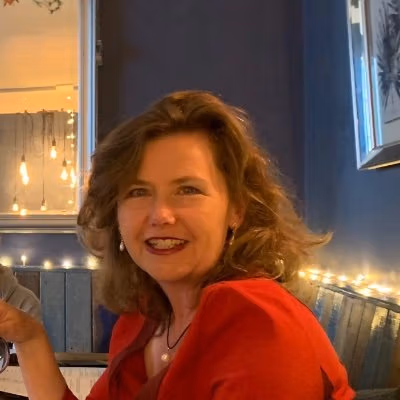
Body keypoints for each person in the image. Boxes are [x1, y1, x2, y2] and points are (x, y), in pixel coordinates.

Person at [0, 91, 355, 399]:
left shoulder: (258, 323)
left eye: (188, 190)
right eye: (138, 191)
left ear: (236, 209)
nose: (161, 215)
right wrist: (29, 337)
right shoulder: (143, 318)